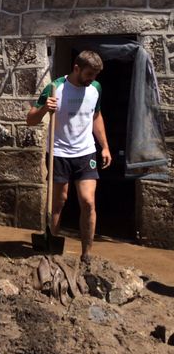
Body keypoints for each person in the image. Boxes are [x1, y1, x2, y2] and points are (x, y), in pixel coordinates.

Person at [27, 50, 112, 263]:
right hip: (59, 153)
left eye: (95, 75)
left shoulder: (95, 88)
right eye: (89, 74)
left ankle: (87, 254)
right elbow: (30, 120)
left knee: (88, 202)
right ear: (76, 68)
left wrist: (105, 146)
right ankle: (51, 250)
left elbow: (96, 116)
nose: (92, 79)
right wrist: (44, 109)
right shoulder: (55, 88)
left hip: (85, 152)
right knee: (59, 202)